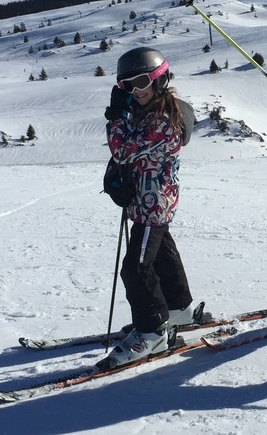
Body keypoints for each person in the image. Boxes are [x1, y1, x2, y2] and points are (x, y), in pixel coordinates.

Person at [100, 46, 197, 367]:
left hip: (152, 204)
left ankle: (152, 330)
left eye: (141, 82)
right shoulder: (146, 112)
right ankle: (178, 307)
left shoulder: (165, 119)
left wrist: (116, 118)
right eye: (127, 86)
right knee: (161, 253)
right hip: (148, 199)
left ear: (159, 79)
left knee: (137, 267)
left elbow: (124, 150)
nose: (136, 91)